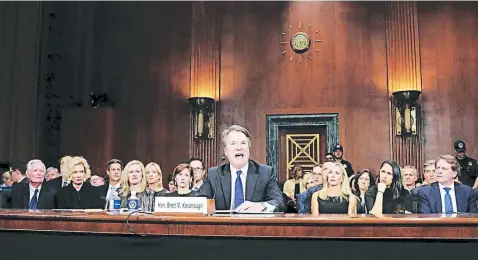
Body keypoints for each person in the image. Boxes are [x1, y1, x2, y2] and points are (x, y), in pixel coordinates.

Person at [197, 125, 284, 212]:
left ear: (249, 148)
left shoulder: (265, 173)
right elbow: (198, 201)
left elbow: (279, 202)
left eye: (243, 143)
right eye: (233, 143)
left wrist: (262, 206)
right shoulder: (215, 174)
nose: (239, 148)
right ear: (226, 151)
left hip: (254, 224)